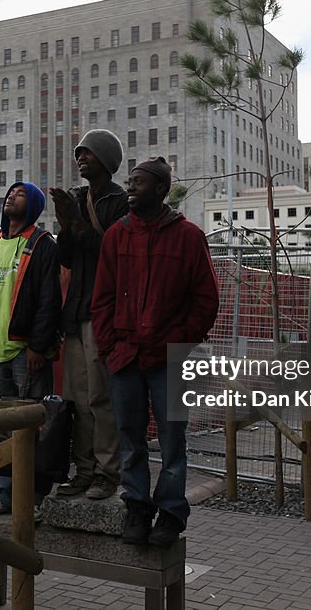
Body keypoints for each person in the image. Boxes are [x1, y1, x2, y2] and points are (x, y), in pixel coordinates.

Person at [92, 157, 219, 547]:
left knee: (172, 440)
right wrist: (110, 344)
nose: (130, 188)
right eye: (129, 181)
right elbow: (102, 298)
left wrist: (176, 343)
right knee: (130, 437)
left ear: (162, 189)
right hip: (124, 357)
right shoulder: (116, 235)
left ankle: (170, 514)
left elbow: (205, 300)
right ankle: (136, 507)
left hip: (169, 360)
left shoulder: (188, 237)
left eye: (139, 183)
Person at [0, 182, 62, 516]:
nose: (10, 197)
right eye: (9, 193)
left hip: (25, 353)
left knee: (32, 427)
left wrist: (38, 346)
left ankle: (33, 499)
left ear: (33, 204)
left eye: (19, 194)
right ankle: (5, 496)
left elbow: (50, 300)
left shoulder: (41, 244)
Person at [49, 129, 129, 501]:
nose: (81, 158)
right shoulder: (76, 198)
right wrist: (66, 225)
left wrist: (77, 223)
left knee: (100, 397)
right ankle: (82, 470)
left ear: (107, 160)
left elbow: (110, 254)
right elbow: (67, 258)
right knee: (76, 399)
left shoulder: (119, 202)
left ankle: (107, 472)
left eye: (89, 153)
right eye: (79, 152)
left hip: (103, 312)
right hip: (75, 311)